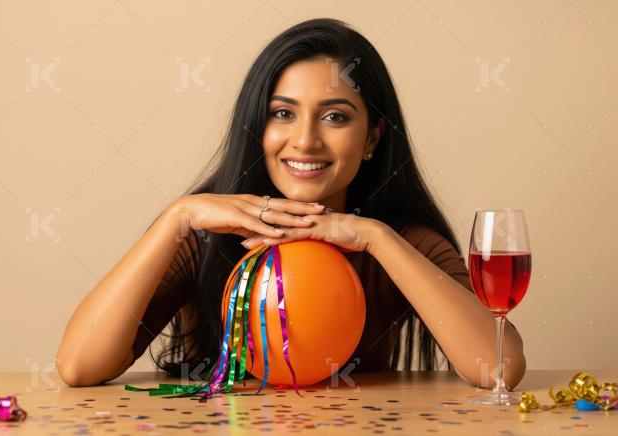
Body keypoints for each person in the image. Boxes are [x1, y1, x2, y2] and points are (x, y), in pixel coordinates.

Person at [56, 18, 526, 389]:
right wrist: (178, 216)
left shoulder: (399, 240)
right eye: (282, 113)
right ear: (257, 127)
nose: (304, 140)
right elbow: (78, 366)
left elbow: (499, 369)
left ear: (372, 139)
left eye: (335, 117)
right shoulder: (203, 234)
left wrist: (374, 237)